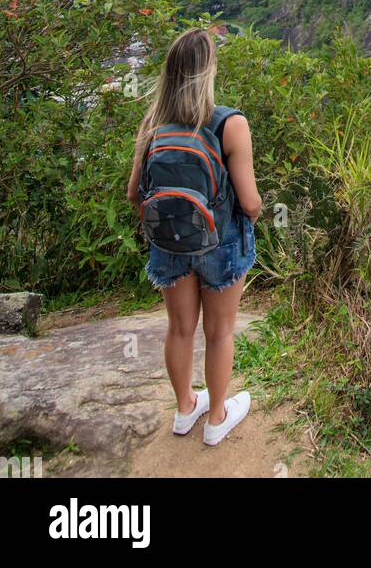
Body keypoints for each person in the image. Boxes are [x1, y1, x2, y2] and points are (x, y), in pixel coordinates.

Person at [126, 27, 262, 446]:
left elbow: (134, 194)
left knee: (179, 328)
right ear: (208, 73)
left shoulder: (152, 125)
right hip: (220, 245)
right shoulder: (229, 124)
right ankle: (216, 415)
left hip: (169, 245)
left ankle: (186, 407)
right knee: (219, 332)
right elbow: (252, 203)